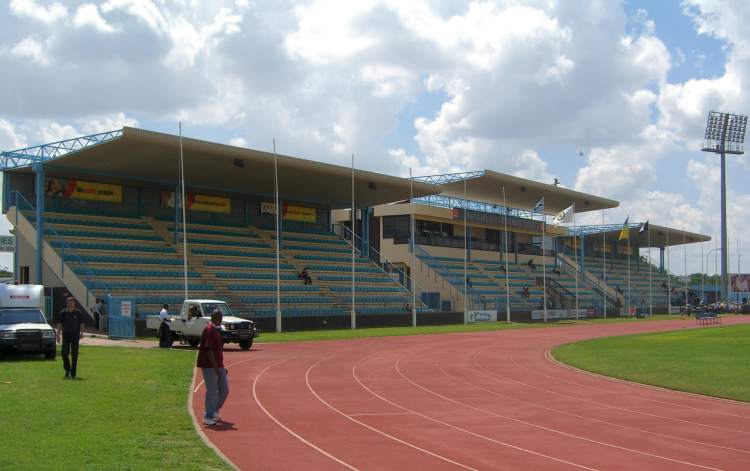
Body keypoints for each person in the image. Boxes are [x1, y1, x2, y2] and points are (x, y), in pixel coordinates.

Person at [197, 309, 229, 426]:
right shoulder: (209, 329)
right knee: (212, 391)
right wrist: (216, 367)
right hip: (210, 366)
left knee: (224, 390)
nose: (221, 320)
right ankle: (208, 416)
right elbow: (208, 349)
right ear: (215, 318)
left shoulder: (215, 329)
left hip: (218, 366)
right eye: (219, 318)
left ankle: (213, 410)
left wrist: (221, 367)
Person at [57, 297, 85, 380]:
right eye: (68, 303)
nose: (69, 304)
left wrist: (82, 333)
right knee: (63, 353)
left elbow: (82, 323)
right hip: (65, 336)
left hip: (75, 336)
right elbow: (59, 324)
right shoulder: (63, 312)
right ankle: (67, 369)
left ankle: (73, 374)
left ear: (74, 303)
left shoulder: (78, 313)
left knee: (74, 355)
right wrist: (58, 334)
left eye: (70, 303)